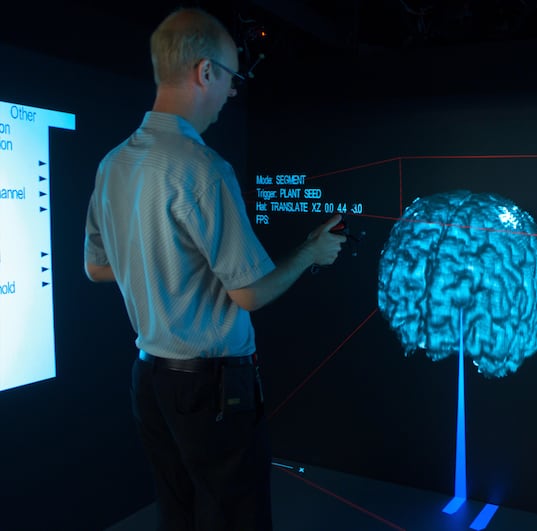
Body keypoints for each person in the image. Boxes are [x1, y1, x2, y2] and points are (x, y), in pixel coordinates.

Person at [83, 7, 345, 531]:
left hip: (151, 382)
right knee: (235, 518)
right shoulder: (203, 169)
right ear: (205, 72)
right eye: (230, 78)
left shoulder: (113, 164)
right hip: (213, 391)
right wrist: (310, 253)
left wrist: (164, 269)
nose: (231, 93)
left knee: (177, 514)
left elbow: (96, 268)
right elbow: (250, 294)